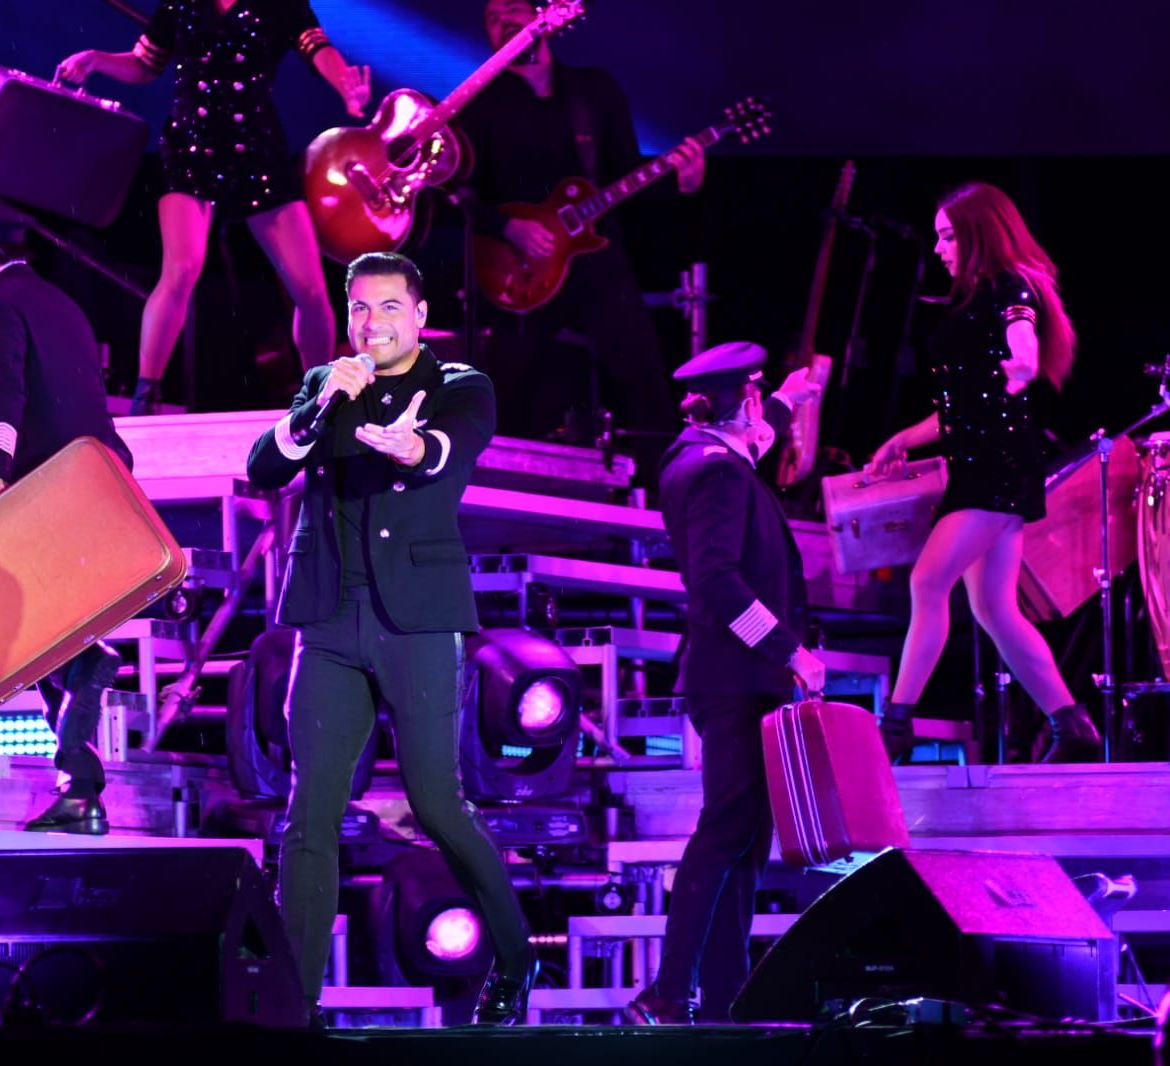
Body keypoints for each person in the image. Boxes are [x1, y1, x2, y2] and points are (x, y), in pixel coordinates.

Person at [246, 252, 535, 1025]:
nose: (372, 323)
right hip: (327, 619)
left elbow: (449, 448)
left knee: (435, 801)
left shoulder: (459, 385)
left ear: (419, 314)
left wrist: (413, 447)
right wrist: (313, 412)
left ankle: (515, 956)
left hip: (416, 618)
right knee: (308, 813)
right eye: (360, 309)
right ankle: (295, 1006)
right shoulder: (325, 383)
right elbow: (264, 467)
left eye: (388, 308)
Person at [622, 341, 824, 1024]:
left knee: (743, 839)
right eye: (756, 395)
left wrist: (787, 398)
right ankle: (667, 991)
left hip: (736, 677)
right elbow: (716, 580)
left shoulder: (697, 456)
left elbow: (750, 429)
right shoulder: (719, 474)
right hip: (735, 677)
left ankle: (722, 998)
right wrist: (789, 650)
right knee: (727, 832)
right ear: (741, 400)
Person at [868, 183, 1100, 764]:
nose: (939, 248)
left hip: (994, 468)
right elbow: (961, 404)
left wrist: (1022, 363)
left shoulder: (1009, 288)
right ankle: (1071, 723)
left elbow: (1022, 340)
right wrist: (902, 439)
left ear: (978, 234)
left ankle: (896, 723)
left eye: (949, 236)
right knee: (993, 608)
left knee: (928, 583)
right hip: (984, 465)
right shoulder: (982, 296)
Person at [57, 1, 371, 413]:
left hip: (256, 150)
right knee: (181, 268)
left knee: (309, 289)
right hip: (190, 148)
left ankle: (320, 398)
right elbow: (145, 64)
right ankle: (145, 396)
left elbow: (318, 48)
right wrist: (95, 59)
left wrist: (346, 85)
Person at [0, 201, 136, 835]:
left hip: (42, 482)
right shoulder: (57, 300)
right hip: (97, 477)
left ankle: (80, 762)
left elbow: (2, 393)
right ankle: (79, 788)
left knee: (27, 629)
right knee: (43, 630)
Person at [454, 0, 705, 476]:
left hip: (595, 263)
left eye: (514, 9)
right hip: (516, 271)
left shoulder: (593, 90)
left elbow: (627, 173)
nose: (504, 22)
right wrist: (508, 227)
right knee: (506, 393)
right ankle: (505, 496)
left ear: (542, 17)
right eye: (492, 17)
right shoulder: (479, 104)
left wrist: (683, 184)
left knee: (644, 378)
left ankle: (665, 491)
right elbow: (457, 194)